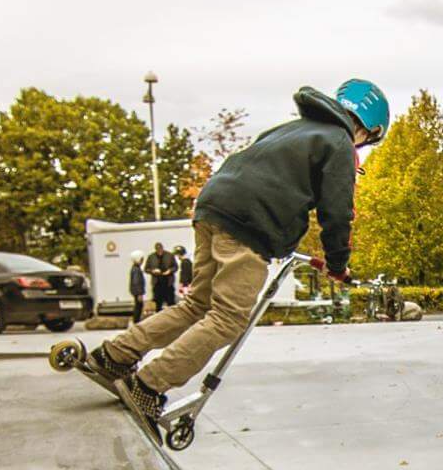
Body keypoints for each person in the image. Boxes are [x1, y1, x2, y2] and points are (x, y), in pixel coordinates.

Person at [72, 79, 389, 416]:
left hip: (211, 208)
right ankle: (148, 386)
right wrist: (338, 264)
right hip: (249, 224)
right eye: (368, 140)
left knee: (197, 305)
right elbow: (337, 213)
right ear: (368, 128)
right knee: (228, 318)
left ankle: (113, 356)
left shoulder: (290, 129)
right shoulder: (339, 142)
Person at [145, 240, 177, 311]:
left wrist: (170, 271)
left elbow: (175, 267)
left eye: (160, 249)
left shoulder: (169, 255)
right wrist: (153, 271)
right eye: (157, 249)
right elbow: (146, 269)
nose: (159, 251)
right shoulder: (151, 257)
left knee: (171, 302)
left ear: (163, 248)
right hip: (157, 283)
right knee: (158, 302)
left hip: (168, 282)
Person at [126, 252, 148, 322]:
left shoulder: (135, 268)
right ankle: (136, 322)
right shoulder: (136, 269)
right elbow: (136, 282)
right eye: (141, 259)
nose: (142, 261)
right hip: (138, 292)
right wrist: (139, 293)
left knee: (138, 306)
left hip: (136, 291)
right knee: (138, 307)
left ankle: (136, 321)